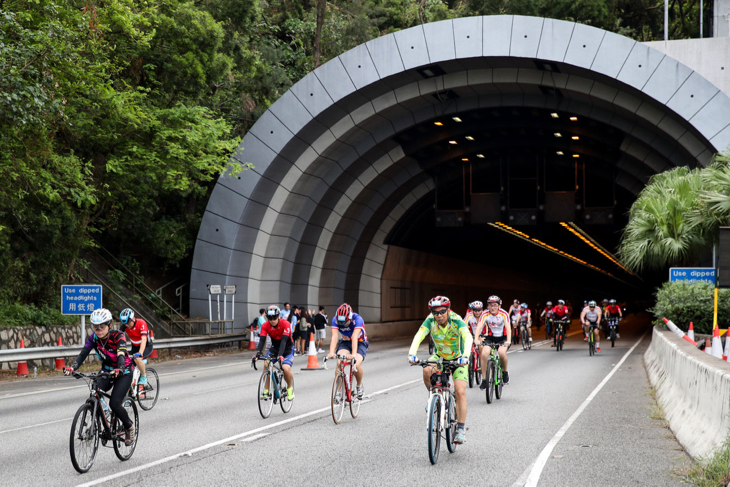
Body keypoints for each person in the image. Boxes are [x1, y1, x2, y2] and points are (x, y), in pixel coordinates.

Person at [64, 308, 135, 445]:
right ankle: (100, 420)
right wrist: (73, 367)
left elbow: (121, 353)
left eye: (102, 327)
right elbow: (84, 353)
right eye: (95, 328)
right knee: (95, 389)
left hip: (124, 372)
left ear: (109, 325)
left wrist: (119, 368)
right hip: (106, 372)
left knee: (115, 403)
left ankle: (129, 427)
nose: (98, 330)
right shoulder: (94, 338)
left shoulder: (118, 336)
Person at [408, 296, 472, 444]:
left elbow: (467, 337)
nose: (439, 315)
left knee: (460, 391)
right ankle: (434, 397)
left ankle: (461, 429)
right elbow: (420, 335)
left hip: (458, 358)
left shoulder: (456, 320)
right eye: (435, 312)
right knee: (426, 369)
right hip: (440, 357)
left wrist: (466, 356)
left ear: (448, 310)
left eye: (442, 311)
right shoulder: (430, 320)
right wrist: (412, 353)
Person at [254, 305, 295, 401]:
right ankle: (266, 390)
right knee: (266, 363)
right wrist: (258, 354)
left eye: (275, 318)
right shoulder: (265, 325)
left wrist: (280, 355)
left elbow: (284, 341)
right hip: (275, 347)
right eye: (269, 318)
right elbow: (262, 340)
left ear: (279, 316)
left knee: (285, 368)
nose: (272, 320)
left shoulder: (286, 324)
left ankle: (289, 387)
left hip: (288, 348)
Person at [328, 303, 368, 399]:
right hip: (345, 342)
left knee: (356, 364)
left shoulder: (358, 319)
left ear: (350, 318)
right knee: (339, 362)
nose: (343, 325)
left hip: (360, 342)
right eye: (340, 323)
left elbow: (354, 337)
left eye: (345, 322)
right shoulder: (335, 320)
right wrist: (331, 352)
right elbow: (334, 336)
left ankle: (359, 385)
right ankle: (339, 391)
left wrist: (353, 354)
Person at [474, 295, 511, 386]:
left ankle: (505, 372)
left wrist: (508, 340)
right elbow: (479, 327)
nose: (492, 307)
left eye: (495, 305)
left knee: (501, 353)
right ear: (488, 306)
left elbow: (508, 328)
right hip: (491, 337)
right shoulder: (485, 314)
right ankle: (484, 380)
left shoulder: (504, 314)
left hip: (503, 337)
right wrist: (476, 339)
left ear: (499, 306)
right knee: (484, 353)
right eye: (490, 305)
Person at [119, 308, 153, 394]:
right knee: (128, 366)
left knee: (137, 359)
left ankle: (144, 377)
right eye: (124, 323)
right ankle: (131, 391)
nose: (126, 325)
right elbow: (117, 338)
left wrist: (141, 353)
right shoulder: (125, 325)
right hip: (134, 347)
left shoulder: (141, 323)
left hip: (145, 346)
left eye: (128, 323)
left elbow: (144, 339)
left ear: (133, 319)